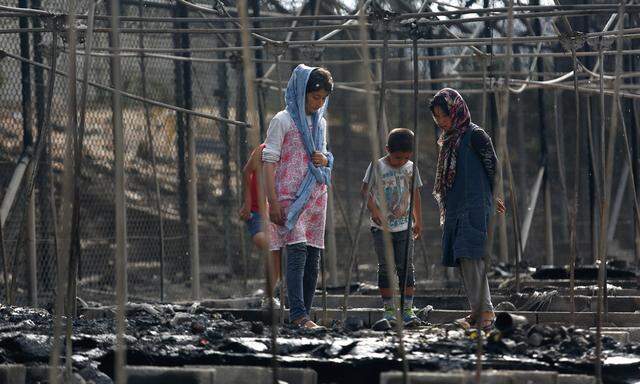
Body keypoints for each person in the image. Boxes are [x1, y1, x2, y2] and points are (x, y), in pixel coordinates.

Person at [262, 64, 334, 329]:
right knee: (297, 253)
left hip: (315, 197)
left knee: (313, 257)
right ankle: (298, 314)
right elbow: (268, 161)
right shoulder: (282, 120)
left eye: (323, 99)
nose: (318, 103)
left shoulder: (320, 123)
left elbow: (324, 157)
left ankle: (306, 313)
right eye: (315, 97)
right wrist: (273, 201)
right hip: (289, 199)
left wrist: (324, 158)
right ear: (301, 91)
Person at [430, 88, 506, 332]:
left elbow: (492, 167)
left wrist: (496, 196)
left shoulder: (476, 136)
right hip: (455, 206)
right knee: (462, 258)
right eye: (437, 118)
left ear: (456, 110)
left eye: (444, 116)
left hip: (474, 204)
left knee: (472, 255)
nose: (441, 122)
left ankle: (486, 312)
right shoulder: (450, 139)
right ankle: (476, 311)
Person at [362, 128, 423, 327]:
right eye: (397, 157)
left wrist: (417, 220)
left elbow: (415, 194)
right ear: (388, 150)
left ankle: (407, 310)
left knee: (406, 267)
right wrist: (375, 211)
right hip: (382, 229)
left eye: (406, 157)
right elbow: (365, 192)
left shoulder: (411, 167)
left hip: (404, 227)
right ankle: (389, 310)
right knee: (386, 268)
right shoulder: (377, 166)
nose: (401, 162)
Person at [239, 143, 282, 309]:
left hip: (276, 212)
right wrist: (248, 202)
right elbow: (246, 171)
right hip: (257, 212)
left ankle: (272, 294)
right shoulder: (263, 150)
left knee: (277, 250)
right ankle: (270, 295)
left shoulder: (291, 153)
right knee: (270, 245)